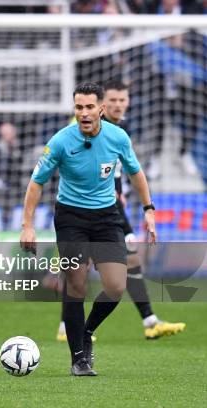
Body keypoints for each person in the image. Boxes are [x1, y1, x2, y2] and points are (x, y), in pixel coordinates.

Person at [20, 82, 157, 376]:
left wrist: (149, 211)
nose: (84, 113)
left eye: (89, 107)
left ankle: (86, 331)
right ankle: (78, 359)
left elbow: (136, 173)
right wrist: (27, 225)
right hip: (71, 218)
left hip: (107, 217)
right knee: (77, 284)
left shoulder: (118, 137)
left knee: (116, 286)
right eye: (79, 107)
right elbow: (36, 183)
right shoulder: (59, 141)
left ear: (101, 109)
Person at [55, 80, 185, 342]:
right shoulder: (79, 128)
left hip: (110, 207)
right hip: (86, 207)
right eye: (112, 100)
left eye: (122, 100)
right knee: (88, 268)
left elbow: (119, 167)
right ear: (103, 105)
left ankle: (147, 320)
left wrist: (126, 194)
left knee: (122, 262)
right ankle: (146, 321)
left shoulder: (117, 132)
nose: (117, 105)